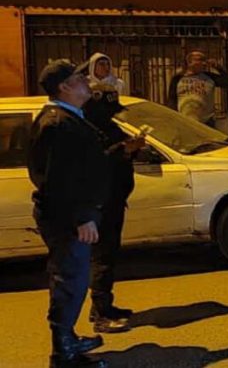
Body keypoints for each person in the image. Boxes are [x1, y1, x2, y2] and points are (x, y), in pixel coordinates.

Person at [28, 60, 110, 368]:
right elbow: (59, 179)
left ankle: (68, 339)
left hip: (69, 214)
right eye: (79, 78)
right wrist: (82, 216)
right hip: (68, 218)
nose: (86, 81)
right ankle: (64, 353)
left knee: (73, 278)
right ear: (64, 87)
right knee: (70, 281)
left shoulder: (68, 118)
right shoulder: (58, 123)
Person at [83, 83, 146, 334]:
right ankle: (101, 313)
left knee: (108, 256)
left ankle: (103, 306)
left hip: (114, 200)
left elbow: (118, 154)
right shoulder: (86, 130)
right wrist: (122, 149)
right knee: (102, 258)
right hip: (100, 203)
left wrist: (131, 148)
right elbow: (94, 164)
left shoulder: (108, 126)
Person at [167, 50, 228, 127]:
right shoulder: (178, 78)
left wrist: (218, 68)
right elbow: (172, 99)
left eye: (204, 60)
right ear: (190, 62)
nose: (204, 63)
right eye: (200, 60)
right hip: (184, 119)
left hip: (206, 121)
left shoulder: (209, 77)